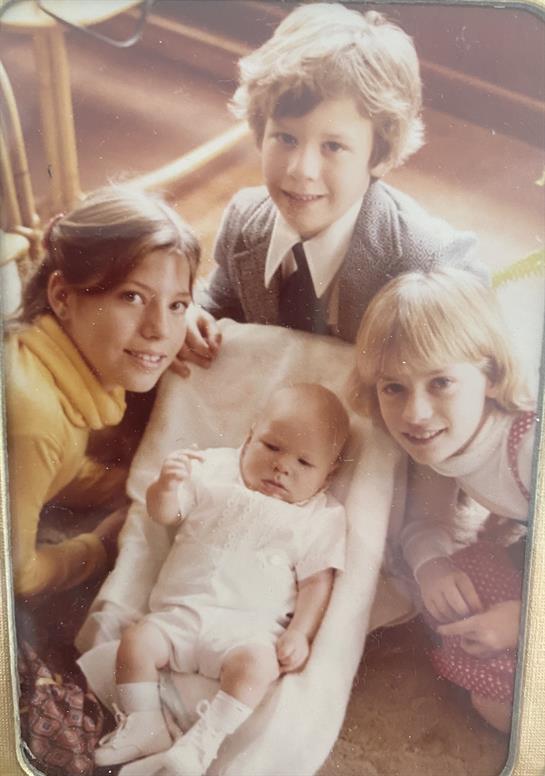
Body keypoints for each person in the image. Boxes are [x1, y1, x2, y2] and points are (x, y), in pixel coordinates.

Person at [182, 2, 487, 368]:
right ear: (260, 132)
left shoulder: (427, 259)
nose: (301, 170)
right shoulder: (245, 222)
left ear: (381, 156)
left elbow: (481, 368)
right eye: (286, 138)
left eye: (333, 146)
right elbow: (218, 310)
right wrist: (190, 317)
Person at [94, 383, 349, 773]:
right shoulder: (213, 469)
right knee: (136, 642)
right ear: (248, 438)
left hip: (246, 630)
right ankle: (144, 723)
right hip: (179, 613)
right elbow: (166, 515)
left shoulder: (318, 517)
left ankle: (201, 744)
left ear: (328, 475)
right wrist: (164, 488)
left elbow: (317, 582)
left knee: (259, 668)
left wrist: (300, 632)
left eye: (304, 463)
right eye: (272, 447)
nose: (283, 466)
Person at [352, 267, 536, 733]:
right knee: (489, 697)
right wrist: (432, 564)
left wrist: (523, 621)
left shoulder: (529, 441)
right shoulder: (438, 442)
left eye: (441, 383)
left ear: (491, 376)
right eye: (394, 387)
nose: (415, 414)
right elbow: (425, 521)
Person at [5, 185, 200, 598]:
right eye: (132, 297)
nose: (159, 330)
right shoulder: (33, 416)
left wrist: (125, 485)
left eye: (177, 306)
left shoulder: (49, 366)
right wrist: (99, 547)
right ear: (62, 296)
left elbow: (62, 466)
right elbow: (15, 576)